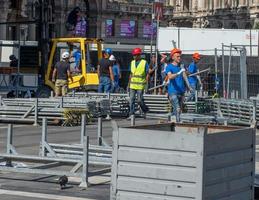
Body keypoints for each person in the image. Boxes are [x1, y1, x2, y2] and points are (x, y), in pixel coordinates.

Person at [165, 48, 192, 122]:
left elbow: (184, 76)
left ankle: (174, 121)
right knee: (177, 108)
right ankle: (177, 122)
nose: (179, 58)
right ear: (173, 57)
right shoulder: (169, 67)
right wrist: (178, 73)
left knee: (178, 109)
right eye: (177, 56)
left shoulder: (181, 66)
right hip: (173, 91)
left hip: (181, 91)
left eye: (180, 56)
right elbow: (170, 76)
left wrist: (189, 87)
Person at [128, 48, 150, 119]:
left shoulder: (144, 62)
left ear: (139, 55)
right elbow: (131, 74)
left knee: (139, 100)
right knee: (131, 100)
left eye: (136, 55)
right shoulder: (132, 62)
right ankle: (131, 114)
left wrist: (146, 84)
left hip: (140, 85)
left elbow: (147, 74)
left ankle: (145, 110)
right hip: (132, 85)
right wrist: (128, 84)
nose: (134, 56)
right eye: (134, 55)